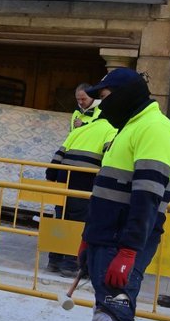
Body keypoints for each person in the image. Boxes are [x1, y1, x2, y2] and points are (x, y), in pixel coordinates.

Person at [60, 68, 170, 321]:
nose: (100, 103)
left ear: (127, 94)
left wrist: (128, 250)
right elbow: (106, 192)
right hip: (105, 238)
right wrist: (88, 240)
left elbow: (146, 199)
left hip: (123, 242)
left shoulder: (155, 129)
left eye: (105, 96)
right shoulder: (127, 128)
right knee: (105, 319)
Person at [44, 114, 117, 278]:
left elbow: (58, 155)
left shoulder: (80, 130)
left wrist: (51, 176)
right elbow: (109, 159)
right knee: (78, 224)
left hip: (63, 182)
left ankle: (54, 261)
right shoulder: (111, 131)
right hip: (84, 185)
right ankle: (70, 265)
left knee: (61, 219)